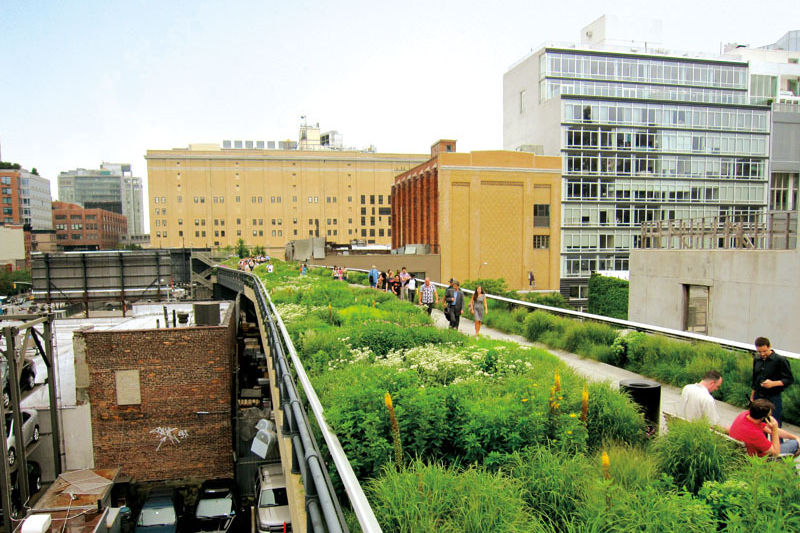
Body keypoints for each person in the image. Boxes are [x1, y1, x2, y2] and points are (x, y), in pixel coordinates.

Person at [729, 399, 800, 457]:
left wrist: (795, 437)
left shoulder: (744, 415)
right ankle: (781, 468)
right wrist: (774, 429)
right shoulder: (755, 433)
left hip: (745, 455)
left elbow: (768, 429)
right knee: (794, 444)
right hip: (761, 460)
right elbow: (776, 453)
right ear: (764, 418)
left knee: (796, 440)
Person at [751, 337, 794, 427]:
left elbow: (789, 379)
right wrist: (752, 396)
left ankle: (778, 441)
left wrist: (773, 384)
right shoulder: (756, 359)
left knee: (775, 424)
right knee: (759, 423)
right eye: (759, 352)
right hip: (759, 396)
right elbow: (755, 379)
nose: (762, 354)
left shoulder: (780, 360)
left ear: (769, 347)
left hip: (773, 397)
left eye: (765, 351)